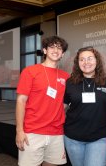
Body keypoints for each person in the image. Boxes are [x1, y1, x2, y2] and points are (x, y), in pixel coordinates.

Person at [15, 35, 69, 166]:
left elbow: (65, 103)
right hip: (32, 132)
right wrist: (19, 131)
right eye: (52, 47)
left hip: (56, 132)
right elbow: (21, 101)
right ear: (44, 50)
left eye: (59, 48)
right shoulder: (30, 71)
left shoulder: (66, 77)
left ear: (62, 54)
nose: (56, 50)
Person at [64, 46, 106, 166]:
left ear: (97, 61)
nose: (86, 62)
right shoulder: (70, 83)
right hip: (73, 138)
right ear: (78, 63)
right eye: (82, 59)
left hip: (100, 138)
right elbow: (61, 108)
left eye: (90, 58)